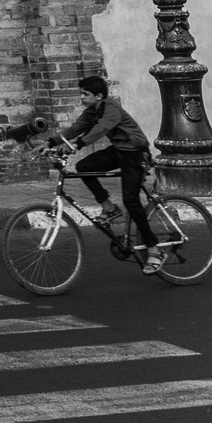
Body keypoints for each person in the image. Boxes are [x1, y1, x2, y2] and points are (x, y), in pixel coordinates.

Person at [53, 75, 166, 274]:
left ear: (98, 96)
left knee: (131, 201)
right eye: (80, 93)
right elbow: (74, 129)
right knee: (84, 167)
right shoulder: (91, 112)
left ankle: (154, 250)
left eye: (85, 94)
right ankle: (109, 207)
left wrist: (77, 145)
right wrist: (50, 143)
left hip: (135, 154)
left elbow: (101, 128)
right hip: (119, 152)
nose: (81, 97)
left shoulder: (111, 108)